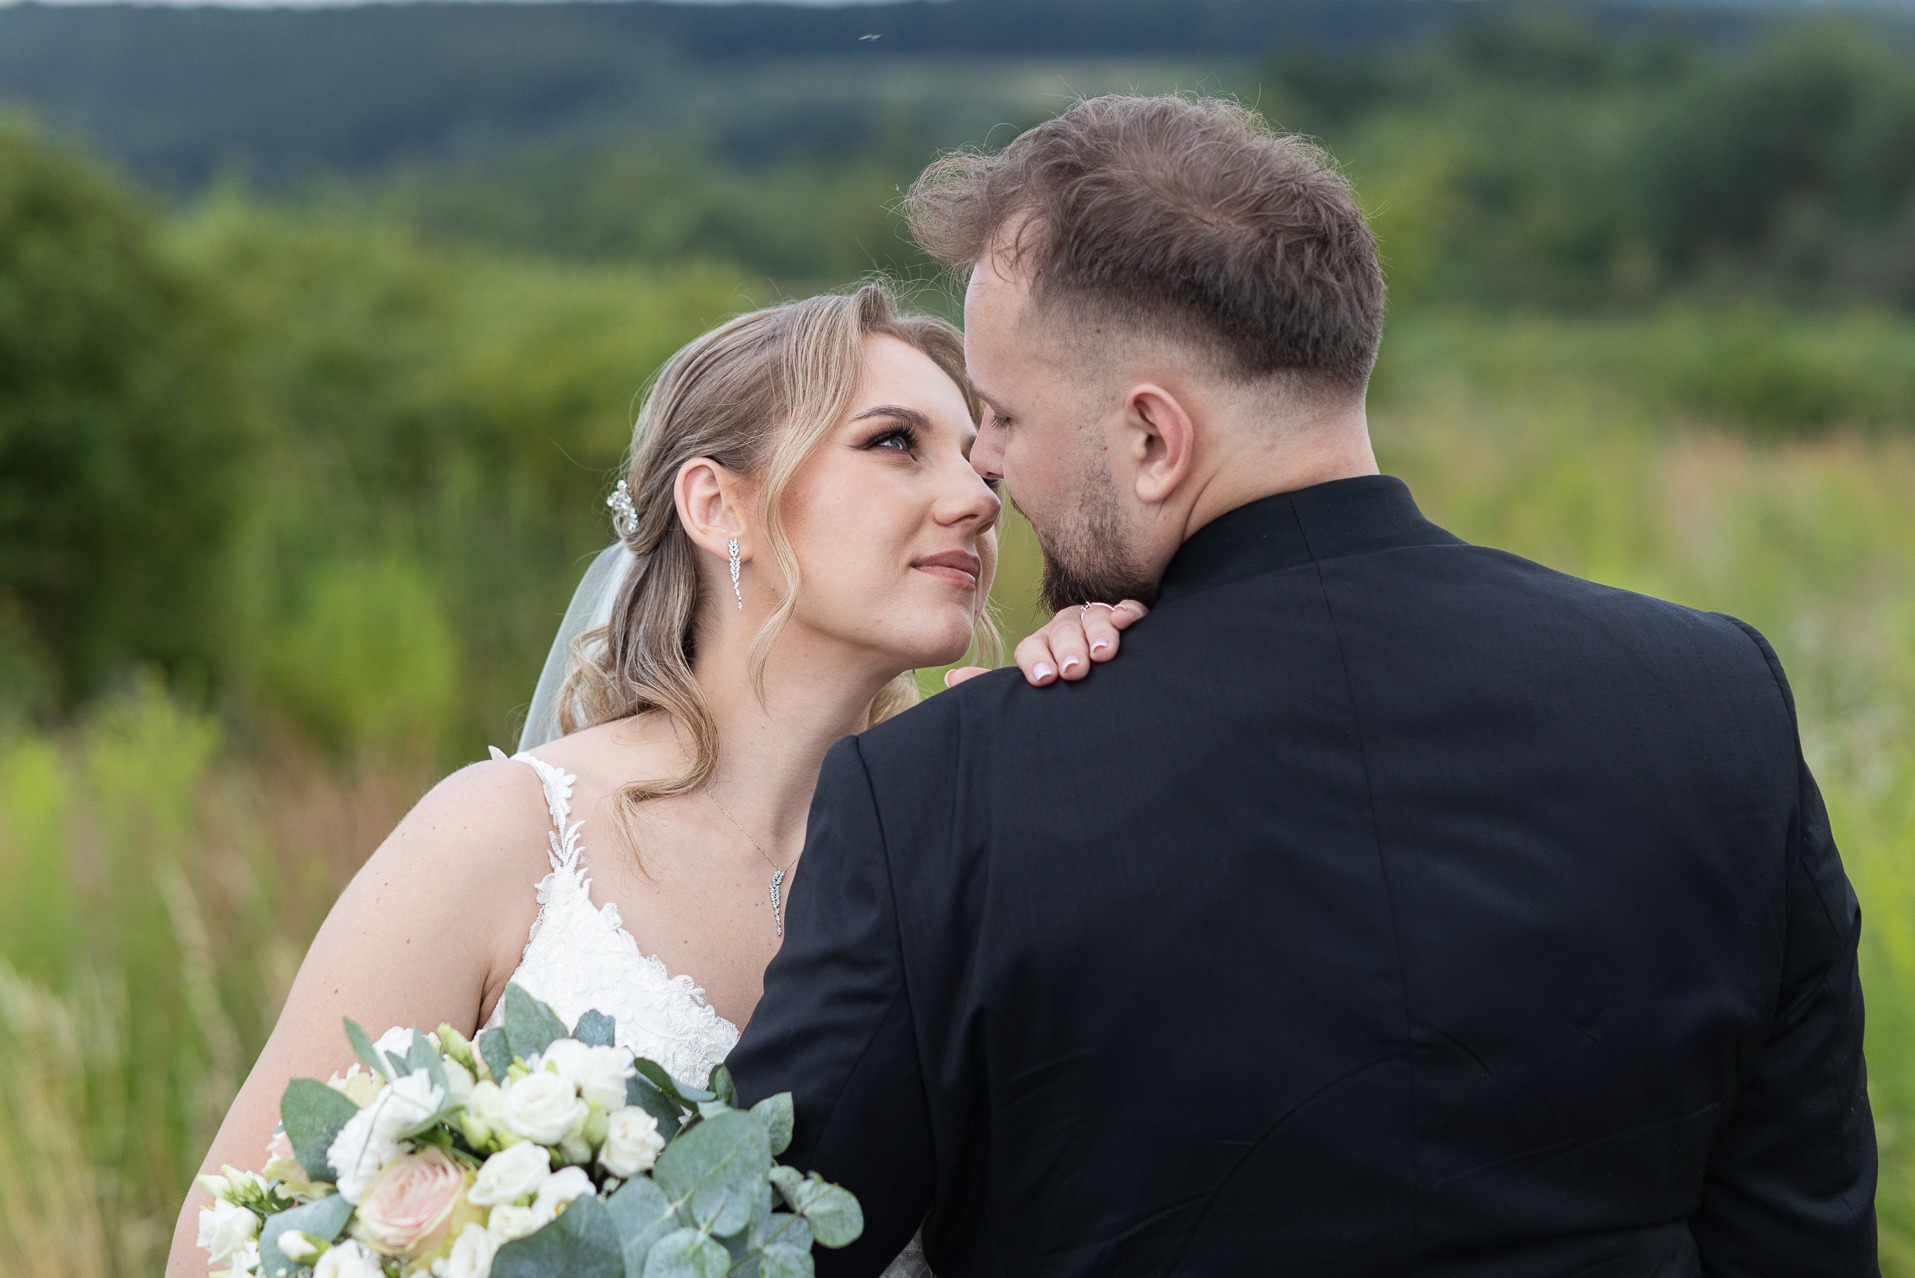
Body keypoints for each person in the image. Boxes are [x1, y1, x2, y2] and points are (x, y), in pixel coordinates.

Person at [726, 95, 1878, 1276]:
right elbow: (1799, 1237)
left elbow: (750, 1246)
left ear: (1153, 439)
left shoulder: (938, 793)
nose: (986, 464)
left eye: (1006, 415)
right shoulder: (1712, 697)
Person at [164, 285, 1138, 1276]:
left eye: (978, 459)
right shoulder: (507, 835)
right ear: (720, 505)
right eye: (895, 442)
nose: (979, 499)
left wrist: (1086, 726)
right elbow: (228, 1244)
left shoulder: (967, 849)